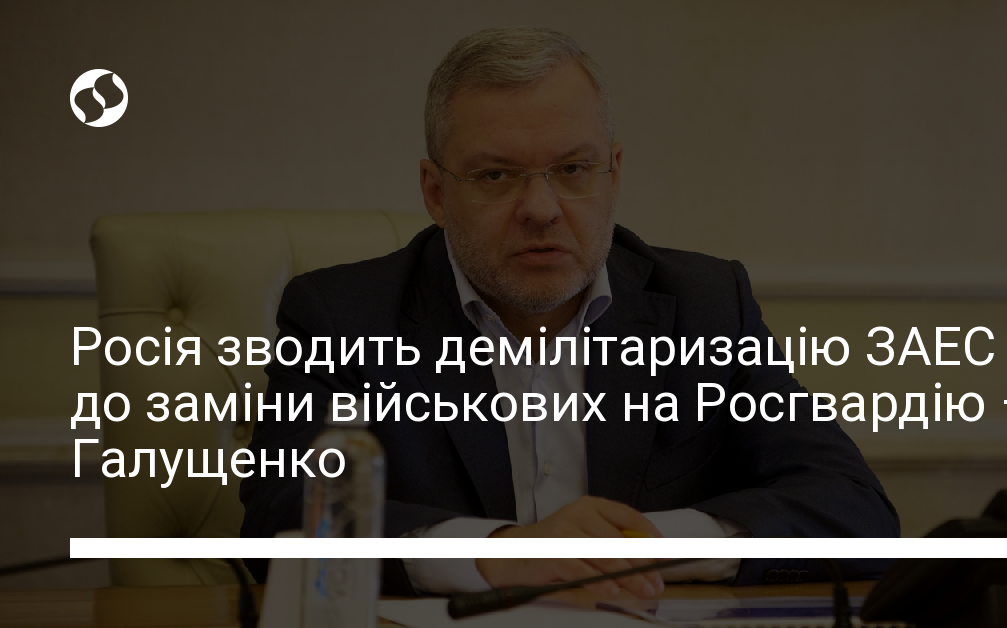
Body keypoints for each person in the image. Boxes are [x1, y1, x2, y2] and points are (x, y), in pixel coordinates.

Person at [240, 26, 899, 598]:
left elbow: (852, 508)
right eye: (496, 175)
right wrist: (496, 554)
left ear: (614, 173)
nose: (541, 209)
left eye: (574, 169)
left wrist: (650, 543)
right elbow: (280, 522)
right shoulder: (342, 316)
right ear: (436, 193)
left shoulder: (706, 306)